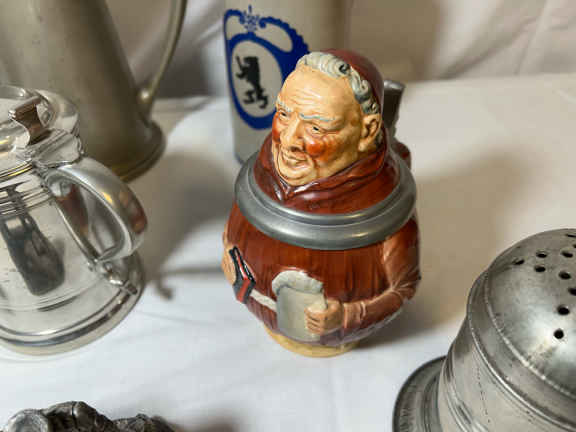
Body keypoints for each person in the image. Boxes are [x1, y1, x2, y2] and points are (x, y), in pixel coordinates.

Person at [222, 50, 420, 352]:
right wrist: (230, 252)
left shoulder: (382, 208)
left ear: (367, 132)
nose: (289, 140)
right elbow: (235, 225)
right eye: (284, 114)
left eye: (316, 128)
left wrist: (349, 315)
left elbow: (403, 288)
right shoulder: (261, 175)